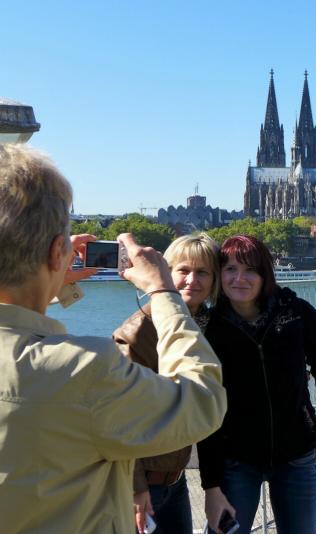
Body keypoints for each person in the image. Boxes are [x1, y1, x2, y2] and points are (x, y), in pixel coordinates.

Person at [0, 143, 227, 532]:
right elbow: (203, 401)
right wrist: (163, 293)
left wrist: (49, 282)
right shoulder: (84, 371)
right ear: (57, 253)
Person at [198, 235, 316, 534]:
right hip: (235, 459)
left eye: (250, 270)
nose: (239, 278)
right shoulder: (210, 328)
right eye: (230, 269)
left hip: (297, 454)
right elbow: (205, 408)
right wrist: (211, 485)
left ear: (265, 275)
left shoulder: (297, 313)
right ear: (219, 274)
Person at [114, 233, 221, 534]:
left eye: (202, 272)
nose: (192, 280)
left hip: (176, 479)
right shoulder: (138, 331)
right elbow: (119, 415)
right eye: (183, 270)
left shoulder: (208, 325)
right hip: (144, 487)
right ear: (164, 273)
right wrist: (135, 487)